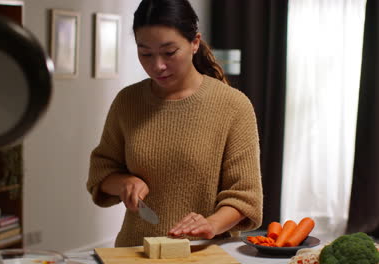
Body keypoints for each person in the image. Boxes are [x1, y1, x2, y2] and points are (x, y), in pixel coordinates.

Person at [87, 0, 262, 247]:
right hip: (135, 251)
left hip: (205, 254)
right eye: (145, 53)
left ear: (194, 43)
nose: (157, 65)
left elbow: (246, 197)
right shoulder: (127, 102)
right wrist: (124, 182)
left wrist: (211, 224)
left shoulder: (233, 106)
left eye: (169, 52)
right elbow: (101, 172)